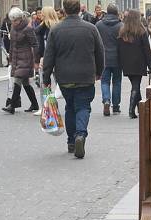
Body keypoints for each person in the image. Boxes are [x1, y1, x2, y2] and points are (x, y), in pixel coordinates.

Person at [42, 0, 104, 159]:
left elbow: (49, 56)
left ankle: (71, 141)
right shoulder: (91, 28)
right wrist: (99, 71)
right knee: (83, 107)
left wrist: (46, 77)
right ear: (79, 10)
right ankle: (80, 135)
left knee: (70, 107)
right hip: (85, 76)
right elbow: (99, 52)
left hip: (64, 77)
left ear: (64, 10)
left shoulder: (56, 30)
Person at [2, 8, 38, 114]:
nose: (13, 23)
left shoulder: (28, 28)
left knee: (17, 79)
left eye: (15, 20)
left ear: (21, 18)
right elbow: (12, 45)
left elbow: (35, 44)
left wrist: (36, 60)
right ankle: (34, 104)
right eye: (12, 21)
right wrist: (10, 58)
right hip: (17, 58)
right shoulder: (13, 28)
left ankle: (12, 105)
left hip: (26, 58)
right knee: (25, 82)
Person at [117, 9, 151, 119]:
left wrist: (120, 62)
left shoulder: (122, 31)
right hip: (139, 63)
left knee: (135, 85)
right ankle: (131, 109)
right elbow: (147, 49)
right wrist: (150, 65)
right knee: (136, 85)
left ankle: (140, 108)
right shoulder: (141, 31)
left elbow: (119, 49)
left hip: (126, 63)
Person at [96, 4, 122, 116]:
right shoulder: (121, 25)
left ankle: (106, 100)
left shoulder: (99, 25)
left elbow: (96, 42)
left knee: (105, 81)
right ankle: (115, 106)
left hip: (103, 57)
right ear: (116, 12)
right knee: (117, 82)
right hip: (117, 58)